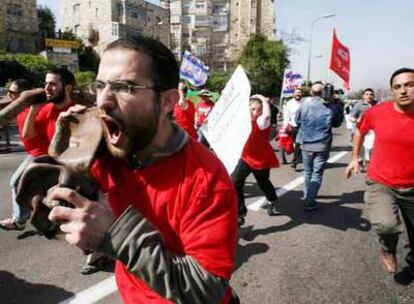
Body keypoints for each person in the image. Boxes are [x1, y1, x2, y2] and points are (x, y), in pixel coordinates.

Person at [47, 36, 239, 303]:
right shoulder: (106, 148)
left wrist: (115, 235)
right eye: (100, 85)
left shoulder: (206, 179)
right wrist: (67, 151)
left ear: (168, 101)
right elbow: (55, 210)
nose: (103, 101)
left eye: (124, 87)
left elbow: (206, 291)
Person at [345, 68, 414, 275]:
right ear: (392, 91)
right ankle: (388, 249)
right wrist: (354, 158)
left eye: (409, 85)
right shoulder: (377, 112)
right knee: (387, 225)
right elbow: (359, 130)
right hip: (381, 182)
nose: (403, 91)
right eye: (397, 87)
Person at [0, 70, 76, 230]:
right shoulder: (47, 108)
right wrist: (34, 109)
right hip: (44, 157)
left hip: (65, 166)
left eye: (53, 84)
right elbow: (28, 134)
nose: (47, 88)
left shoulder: (77, 111)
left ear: (68, 88)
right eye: (46, 84)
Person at [231, 94, 280, 226]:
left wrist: (263, 99)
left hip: (261, 159)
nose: (256, 112)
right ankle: (240, 213)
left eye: (259, 109)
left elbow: (267, 116)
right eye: (253, 109)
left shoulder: (262, 122)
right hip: (246, 157)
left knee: (263, 183)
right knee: (234, 182)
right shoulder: (242, 121)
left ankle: (272, 199)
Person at [295, 83, 343, 211]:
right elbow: (337, 123)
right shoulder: (331, 107)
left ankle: (307, 195)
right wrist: (337, 104)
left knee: (308, 172)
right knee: (316, 174)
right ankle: (310, 202)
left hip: (306, 144)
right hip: (322, 145)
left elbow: (297, 121)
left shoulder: (304, 105)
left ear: (311, 92)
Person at [349, 88, 377, 172]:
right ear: (363, 96)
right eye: (367, 94)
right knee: (359, 148)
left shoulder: (377, 104)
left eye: (371, 94)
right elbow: (352, 117)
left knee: (370, 148)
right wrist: (357, 120)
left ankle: (370, 165)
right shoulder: (359, 105)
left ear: (373, 96)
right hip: (360, 130)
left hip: (372, 131)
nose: (369, 96)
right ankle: (360, 163)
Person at [283, 87, 304, 169]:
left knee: (299, 144)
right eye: (296, 92)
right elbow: (286, 116)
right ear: (293, 94)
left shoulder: (305, 102)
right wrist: (286, 126)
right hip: (294, 127)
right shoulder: (289, 103)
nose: (298, 94)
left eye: (299, 92)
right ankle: (298, 158)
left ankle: (295, 161)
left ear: (302, 94)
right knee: (295, 144)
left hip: (304, 127)